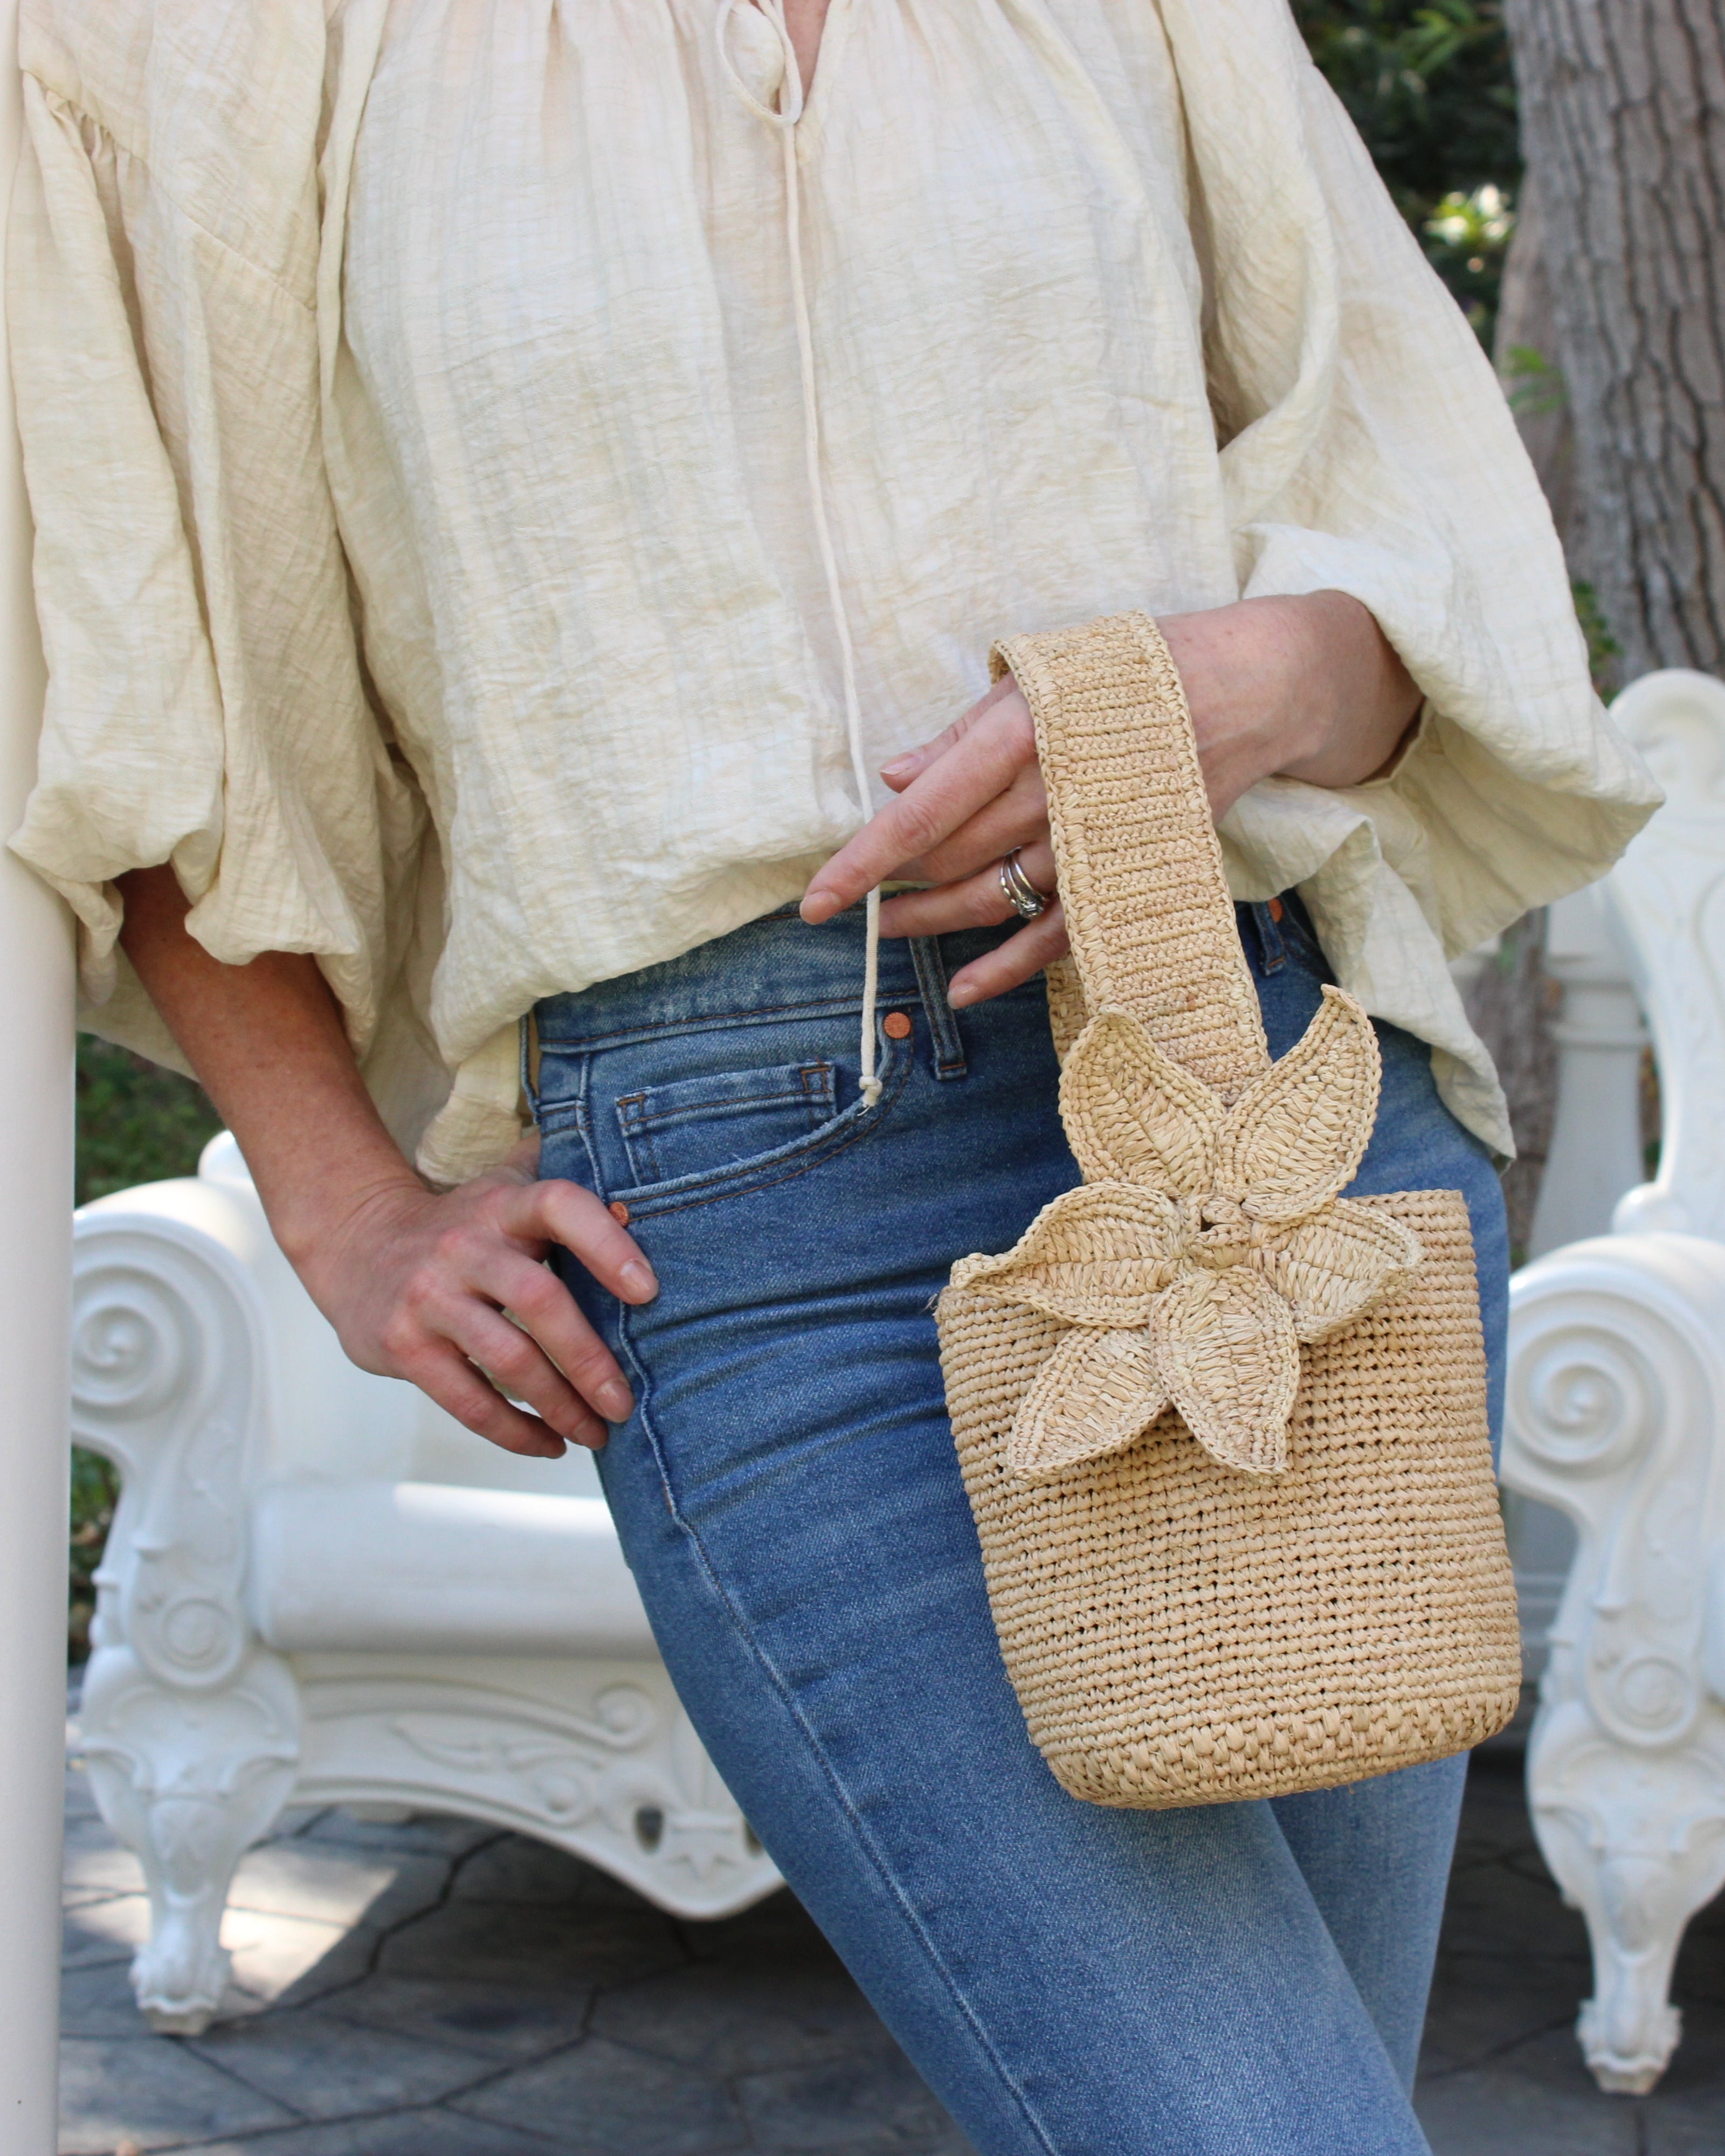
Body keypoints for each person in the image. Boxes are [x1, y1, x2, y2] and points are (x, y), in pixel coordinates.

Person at [9, 2, 1658, 2147]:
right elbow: (106, 618)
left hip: (1270, 1136)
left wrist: (1241, 679)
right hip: (754, 1211)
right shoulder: (225, 43)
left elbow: (1404, 582)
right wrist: (333, 1188)